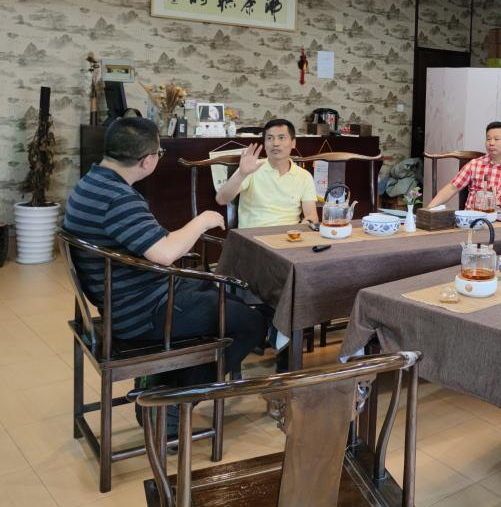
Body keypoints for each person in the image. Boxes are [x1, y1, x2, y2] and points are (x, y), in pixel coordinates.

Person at [63, 119, 267, 432]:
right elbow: (165, 253)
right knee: (251, 324)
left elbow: (153, 245)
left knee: (226, 296)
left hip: (128, 296)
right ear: (147, 161)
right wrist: (202, 220)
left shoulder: (92, 183)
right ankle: (169, 403)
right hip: (141, 312)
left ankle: (161, 378)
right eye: (159, 153)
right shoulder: (118, 198)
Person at [216, 118, 319, 228]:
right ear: (265, 144)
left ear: (293, 143)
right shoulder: (251, 168)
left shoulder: (304, 176)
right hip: (253, 235)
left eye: (281, 137)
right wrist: (241, 174)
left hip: (290, 234)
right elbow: (221, 199)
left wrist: (305, 225)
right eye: (270, 138)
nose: (275, 143)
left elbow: (311, 216)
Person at [426, 121, 501, 212]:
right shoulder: (475, 164)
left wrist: (497, 208)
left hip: (500, 221)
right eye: (488, 139)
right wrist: (427, 209)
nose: (491, 143)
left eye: (496, 139)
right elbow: (452, 188)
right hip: (472, 220)